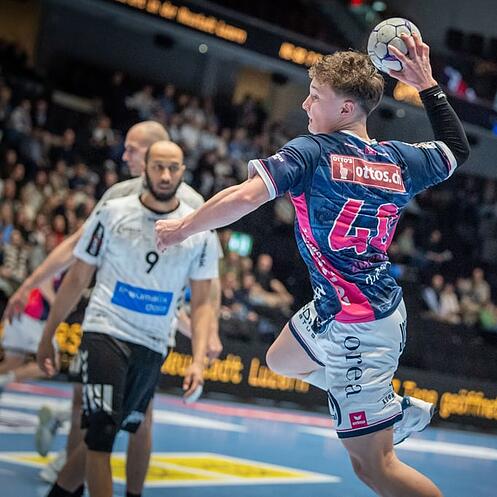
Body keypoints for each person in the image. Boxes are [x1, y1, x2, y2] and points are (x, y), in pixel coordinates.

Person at [155, 34, 470, 497]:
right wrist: (427, 84)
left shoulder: (314, 152)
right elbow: (456, 149)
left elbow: (244, 198)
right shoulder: (398, 159)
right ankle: (389, 405)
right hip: (342, 306)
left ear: (346, 108)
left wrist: (183, 227)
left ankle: (382, 408)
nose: (305, 104)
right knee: (280, 359)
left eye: (315, 96)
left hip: (360, 326)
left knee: (375, 468)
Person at [2, 121, 222, 494]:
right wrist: (30, 285)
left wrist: (206, 336)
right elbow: (77, 252)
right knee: (92, 416)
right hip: (108, 326)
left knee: (135, 421)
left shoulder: (195, 211)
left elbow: (206, 286)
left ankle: (89, 485)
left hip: (155, 334)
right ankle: (73, 470)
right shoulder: (118, 201)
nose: (125, 155)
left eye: (133, 148)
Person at [0, 277, 60, 395]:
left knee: (13, 361)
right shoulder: (71, 266)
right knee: (52, 364)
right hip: (32, 315)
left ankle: (4, 379)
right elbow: (44, 282)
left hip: (17, 313)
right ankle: (4, 380)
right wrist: (58, 305)